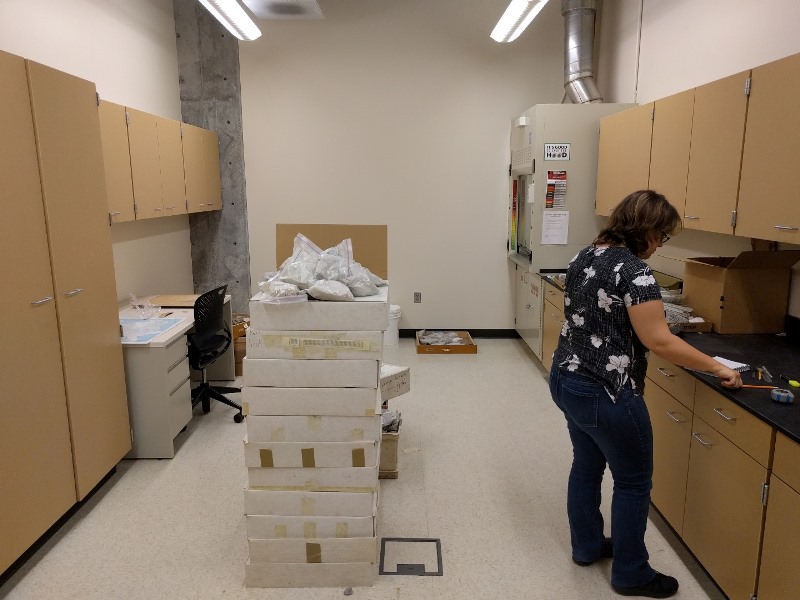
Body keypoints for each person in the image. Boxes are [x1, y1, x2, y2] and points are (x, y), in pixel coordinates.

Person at [549, 190, 742, 598]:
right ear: (645, 229)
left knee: (586, 466)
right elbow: (660, 340)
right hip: (608, 391)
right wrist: (717, 366)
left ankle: (587, 547)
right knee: (633, 483)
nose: (659, 245)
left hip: (568, 380)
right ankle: (631, 573)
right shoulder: (635, 272)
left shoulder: (584, 255)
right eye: (661, 236)